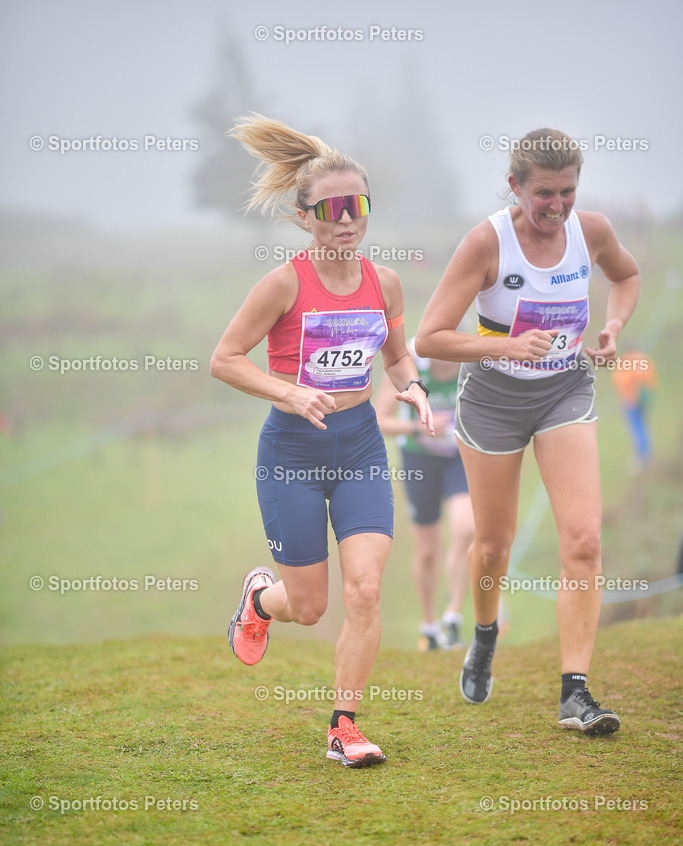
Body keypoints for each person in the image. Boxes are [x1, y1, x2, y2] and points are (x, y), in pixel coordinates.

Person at [210, 114, 433, 767]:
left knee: (364, 589)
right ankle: (259, 600)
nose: (347, 219)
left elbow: (396, 360)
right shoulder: (283, 284)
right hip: (292, 453)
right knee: (307, 607)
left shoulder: (382, 283)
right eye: (332, 208)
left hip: (360, 445)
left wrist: (413, 388)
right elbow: (225, 358)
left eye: (357, 205)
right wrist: (288, 391)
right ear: (305, 216)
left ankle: (345, 727)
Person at [416, 127, 640, 735]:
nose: (557, 207)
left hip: (565, 389)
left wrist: (614, 325)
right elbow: (430, 338)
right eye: (544, 193)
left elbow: (626, 277)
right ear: (515, 186)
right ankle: (484, 634)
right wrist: (508, 344)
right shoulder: (485, 244)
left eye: (568, 192)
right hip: (492, 400)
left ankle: (575, 693)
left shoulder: (590, 231)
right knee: (492, 546)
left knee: (584, 541)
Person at [375, 339, 474, 651]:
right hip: (419, 460)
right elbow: (381, 420)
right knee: (428, 549)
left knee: (466, 528)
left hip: (460, 458)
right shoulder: (411, 363)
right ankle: (429, 625)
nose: (448, 367)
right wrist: (418, 427)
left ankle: (453, 617)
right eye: (442, 361)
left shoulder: (473, 363)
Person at [611, 348, 657, 468]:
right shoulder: (645, 359)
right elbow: (651, 378)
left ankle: (642, 458)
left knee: (636, 428)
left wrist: (627, 397)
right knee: (643, 426)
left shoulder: (626, 362)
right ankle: (646, 455)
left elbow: (623, 381)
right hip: (645, 398)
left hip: (631, 400)